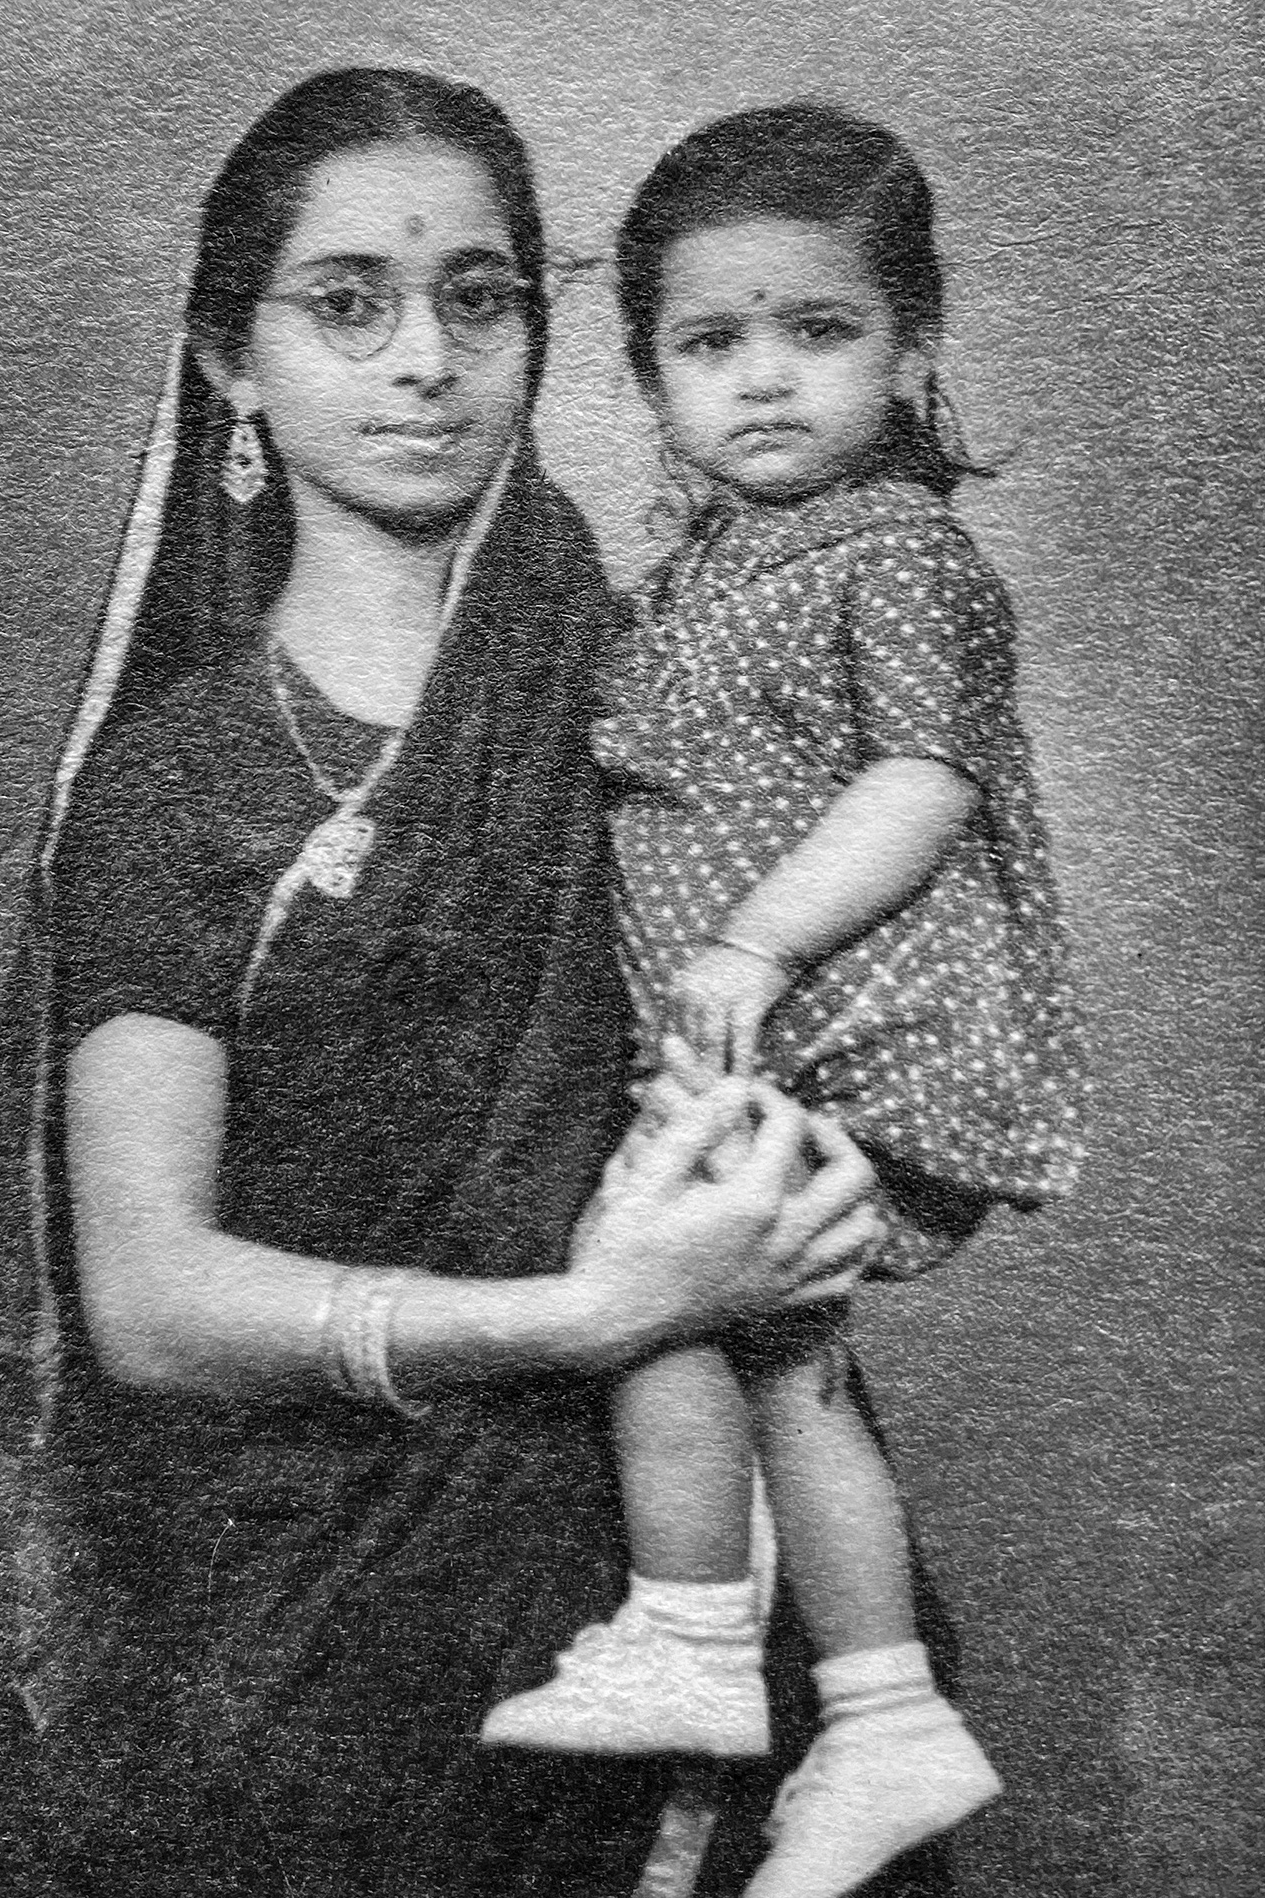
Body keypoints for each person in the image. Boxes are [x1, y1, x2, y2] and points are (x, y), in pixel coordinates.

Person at [16, 69, 884, 1898]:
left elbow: (874, 1019)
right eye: (347, 301)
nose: (423, 358)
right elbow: (152, 1300)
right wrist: (581, 1317)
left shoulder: (671, 696)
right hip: (317, 1634)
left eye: (477, 299)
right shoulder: (182, 784)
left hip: (706, 1563)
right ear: (229, 361)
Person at [480, 103, 1087, 1898]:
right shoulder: (702, 576)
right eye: (708, 341)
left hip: (854, 1011)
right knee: (774, 1341)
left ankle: (690, 1629)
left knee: (657, 1280)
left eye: (818, 332)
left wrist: (749, 945)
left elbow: (926, 784)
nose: (764, 380)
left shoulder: (892, 550)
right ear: (650, 372)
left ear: (913, 346)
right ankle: (881, 1706)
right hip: (765, 1038)